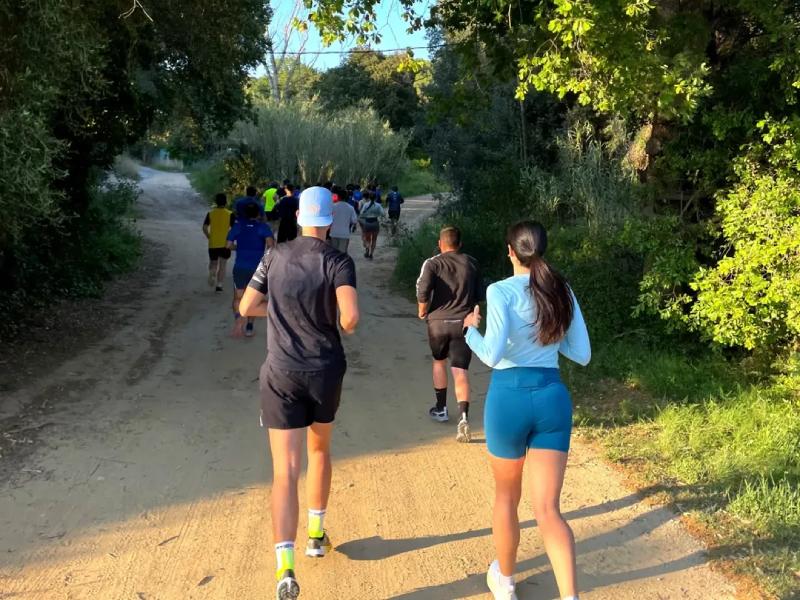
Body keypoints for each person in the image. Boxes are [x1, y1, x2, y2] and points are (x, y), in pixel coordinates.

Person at [238, 186, 359, 600]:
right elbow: (351, 318)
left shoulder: (274, 256)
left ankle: (285, 566)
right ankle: (315, 534)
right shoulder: (339, 261)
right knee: (320, 451)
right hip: (324, 370)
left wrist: (278, 311)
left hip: (281, 372)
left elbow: (247, 307)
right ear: (329, 219)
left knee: (284, 471)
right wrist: (332, 317)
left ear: (300, 217)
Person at [463, 221, 590, 600]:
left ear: (510, 251)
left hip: (509, 398)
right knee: (549, 509)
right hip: (552, 396)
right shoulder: (561, 289)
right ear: (542, 250)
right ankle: (570, 597)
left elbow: (491, 354)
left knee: (506, 498)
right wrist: (547, 340)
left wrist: (470, 329)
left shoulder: (499, 290)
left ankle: (505, 582)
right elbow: (581, 354)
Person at [416, 226, 483, 442]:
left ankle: (441, 408)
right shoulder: (472, 262)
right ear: (460, 244)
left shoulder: (432, 263)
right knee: (460, 370)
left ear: (440, 244)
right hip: (463, 323)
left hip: (437, 323)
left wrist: (422, 310)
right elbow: (479, 295)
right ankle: (463, 416)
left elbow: (423, 290)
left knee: (438, 362)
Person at [226, 203, 275, 337]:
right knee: (255, 299)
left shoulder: (237, 226)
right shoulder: (263, 228)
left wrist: (239, 248)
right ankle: (249, 326)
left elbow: (228, 245)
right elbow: (271, 246)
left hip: (240, 267)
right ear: (258, 214)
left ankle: (238, 319)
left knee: (238, 296)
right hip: (258, 268)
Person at [202, 193, 235, 292]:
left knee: (213, 262)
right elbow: (234, 229)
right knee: (223, 265)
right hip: (225, 244)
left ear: (216, 202)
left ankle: (212, 272)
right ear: (226, 202)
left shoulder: (211, 213)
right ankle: (219, 285)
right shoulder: (230, 214)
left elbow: (204, 227)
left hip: (213, 243)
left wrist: (209, 236)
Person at [329, 188, 358, 254]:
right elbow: (354, 220)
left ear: (338, 197)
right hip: (345, 234)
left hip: (333, 233)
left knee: (334, 253)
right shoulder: (350, 208)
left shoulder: (332, 207)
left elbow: (328, 219)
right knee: (342, 254)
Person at [358, 191, 384, 259]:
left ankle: (367, 248)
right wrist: (377, 214)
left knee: (367, 239)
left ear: (369, 197)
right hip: (375, 223)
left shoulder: (366, 205)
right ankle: (371, 254)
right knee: (374, 239)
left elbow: (361, 213)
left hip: (367, 223)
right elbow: (383, 213)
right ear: (375, 198)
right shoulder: (378, 205)